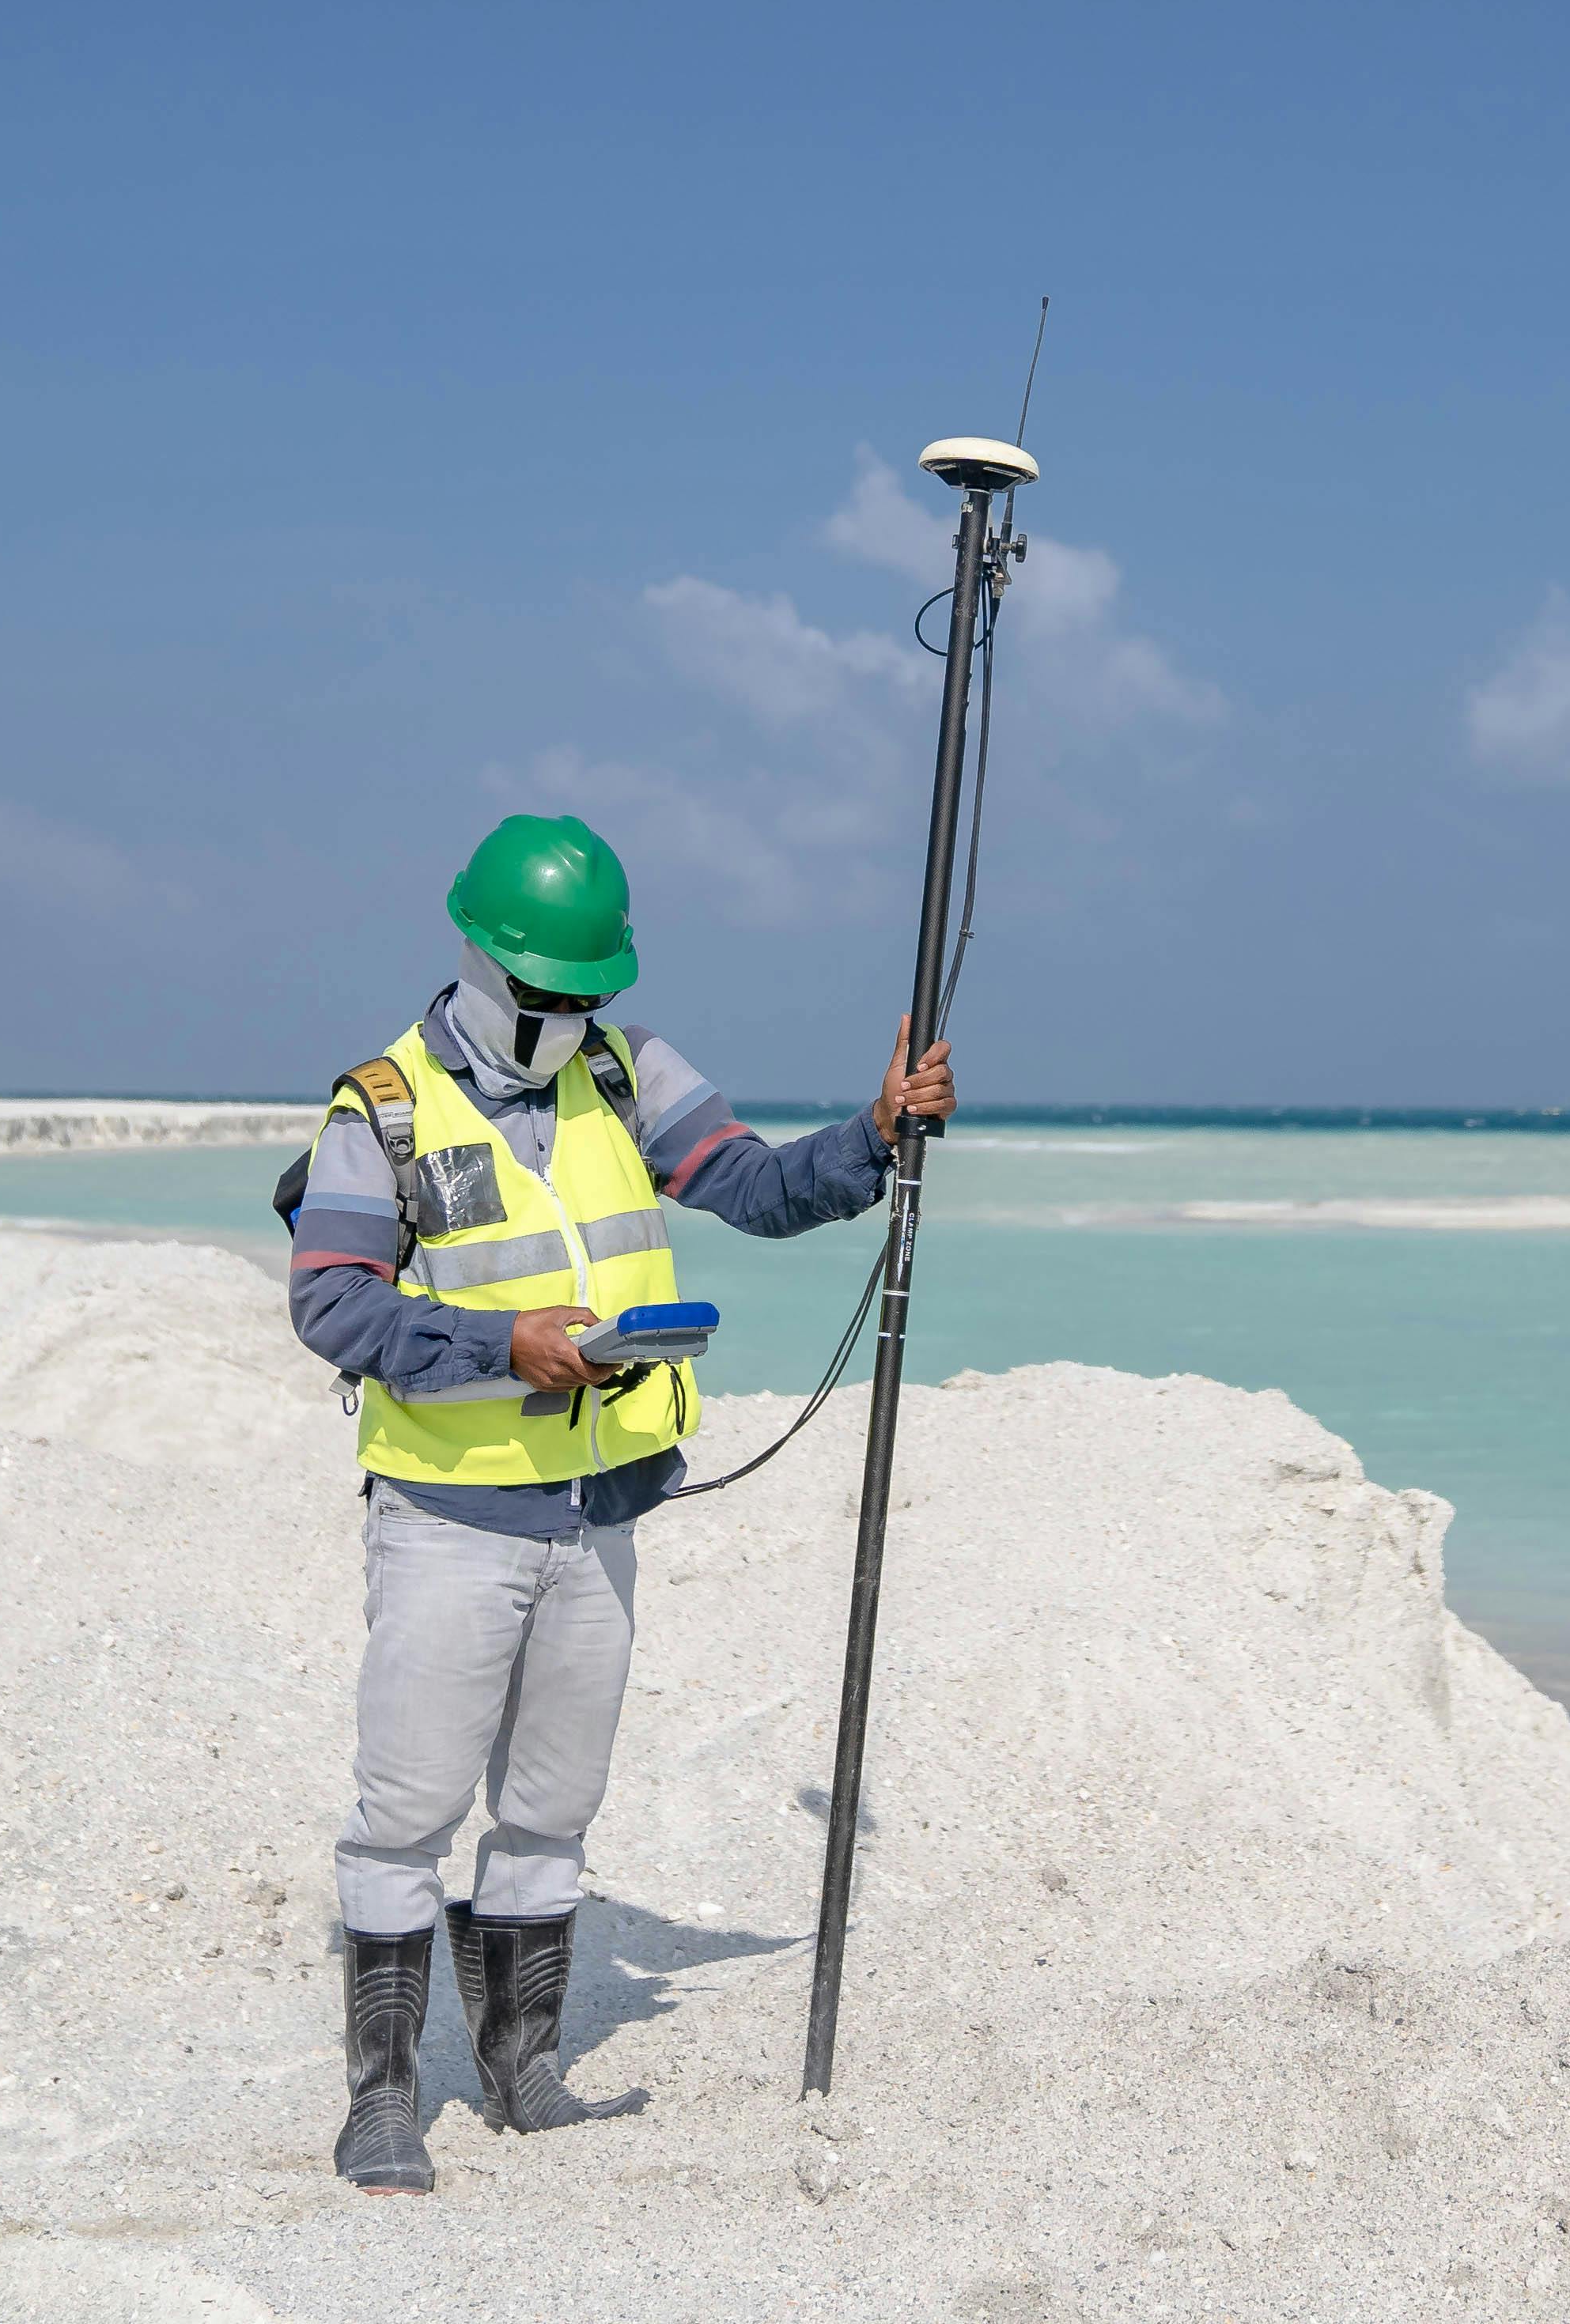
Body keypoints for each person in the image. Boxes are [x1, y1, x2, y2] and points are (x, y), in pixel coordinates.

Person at [280, 810, 953, 2193]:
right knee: (407, 1813)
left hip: (599, 1509)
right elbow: (332, 1303)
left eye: (590, 993)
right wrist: (500, 1344)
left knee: (550, 1807)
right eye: (547, 993)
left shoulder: (627, 1070)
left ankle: (525, 2066)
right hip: (451, 1515)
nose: (568, 1016)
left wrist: (873, 1133)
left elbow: (756, 1187)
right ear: (480, 957)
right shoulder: (383, 1107)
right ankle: (385, 2099)